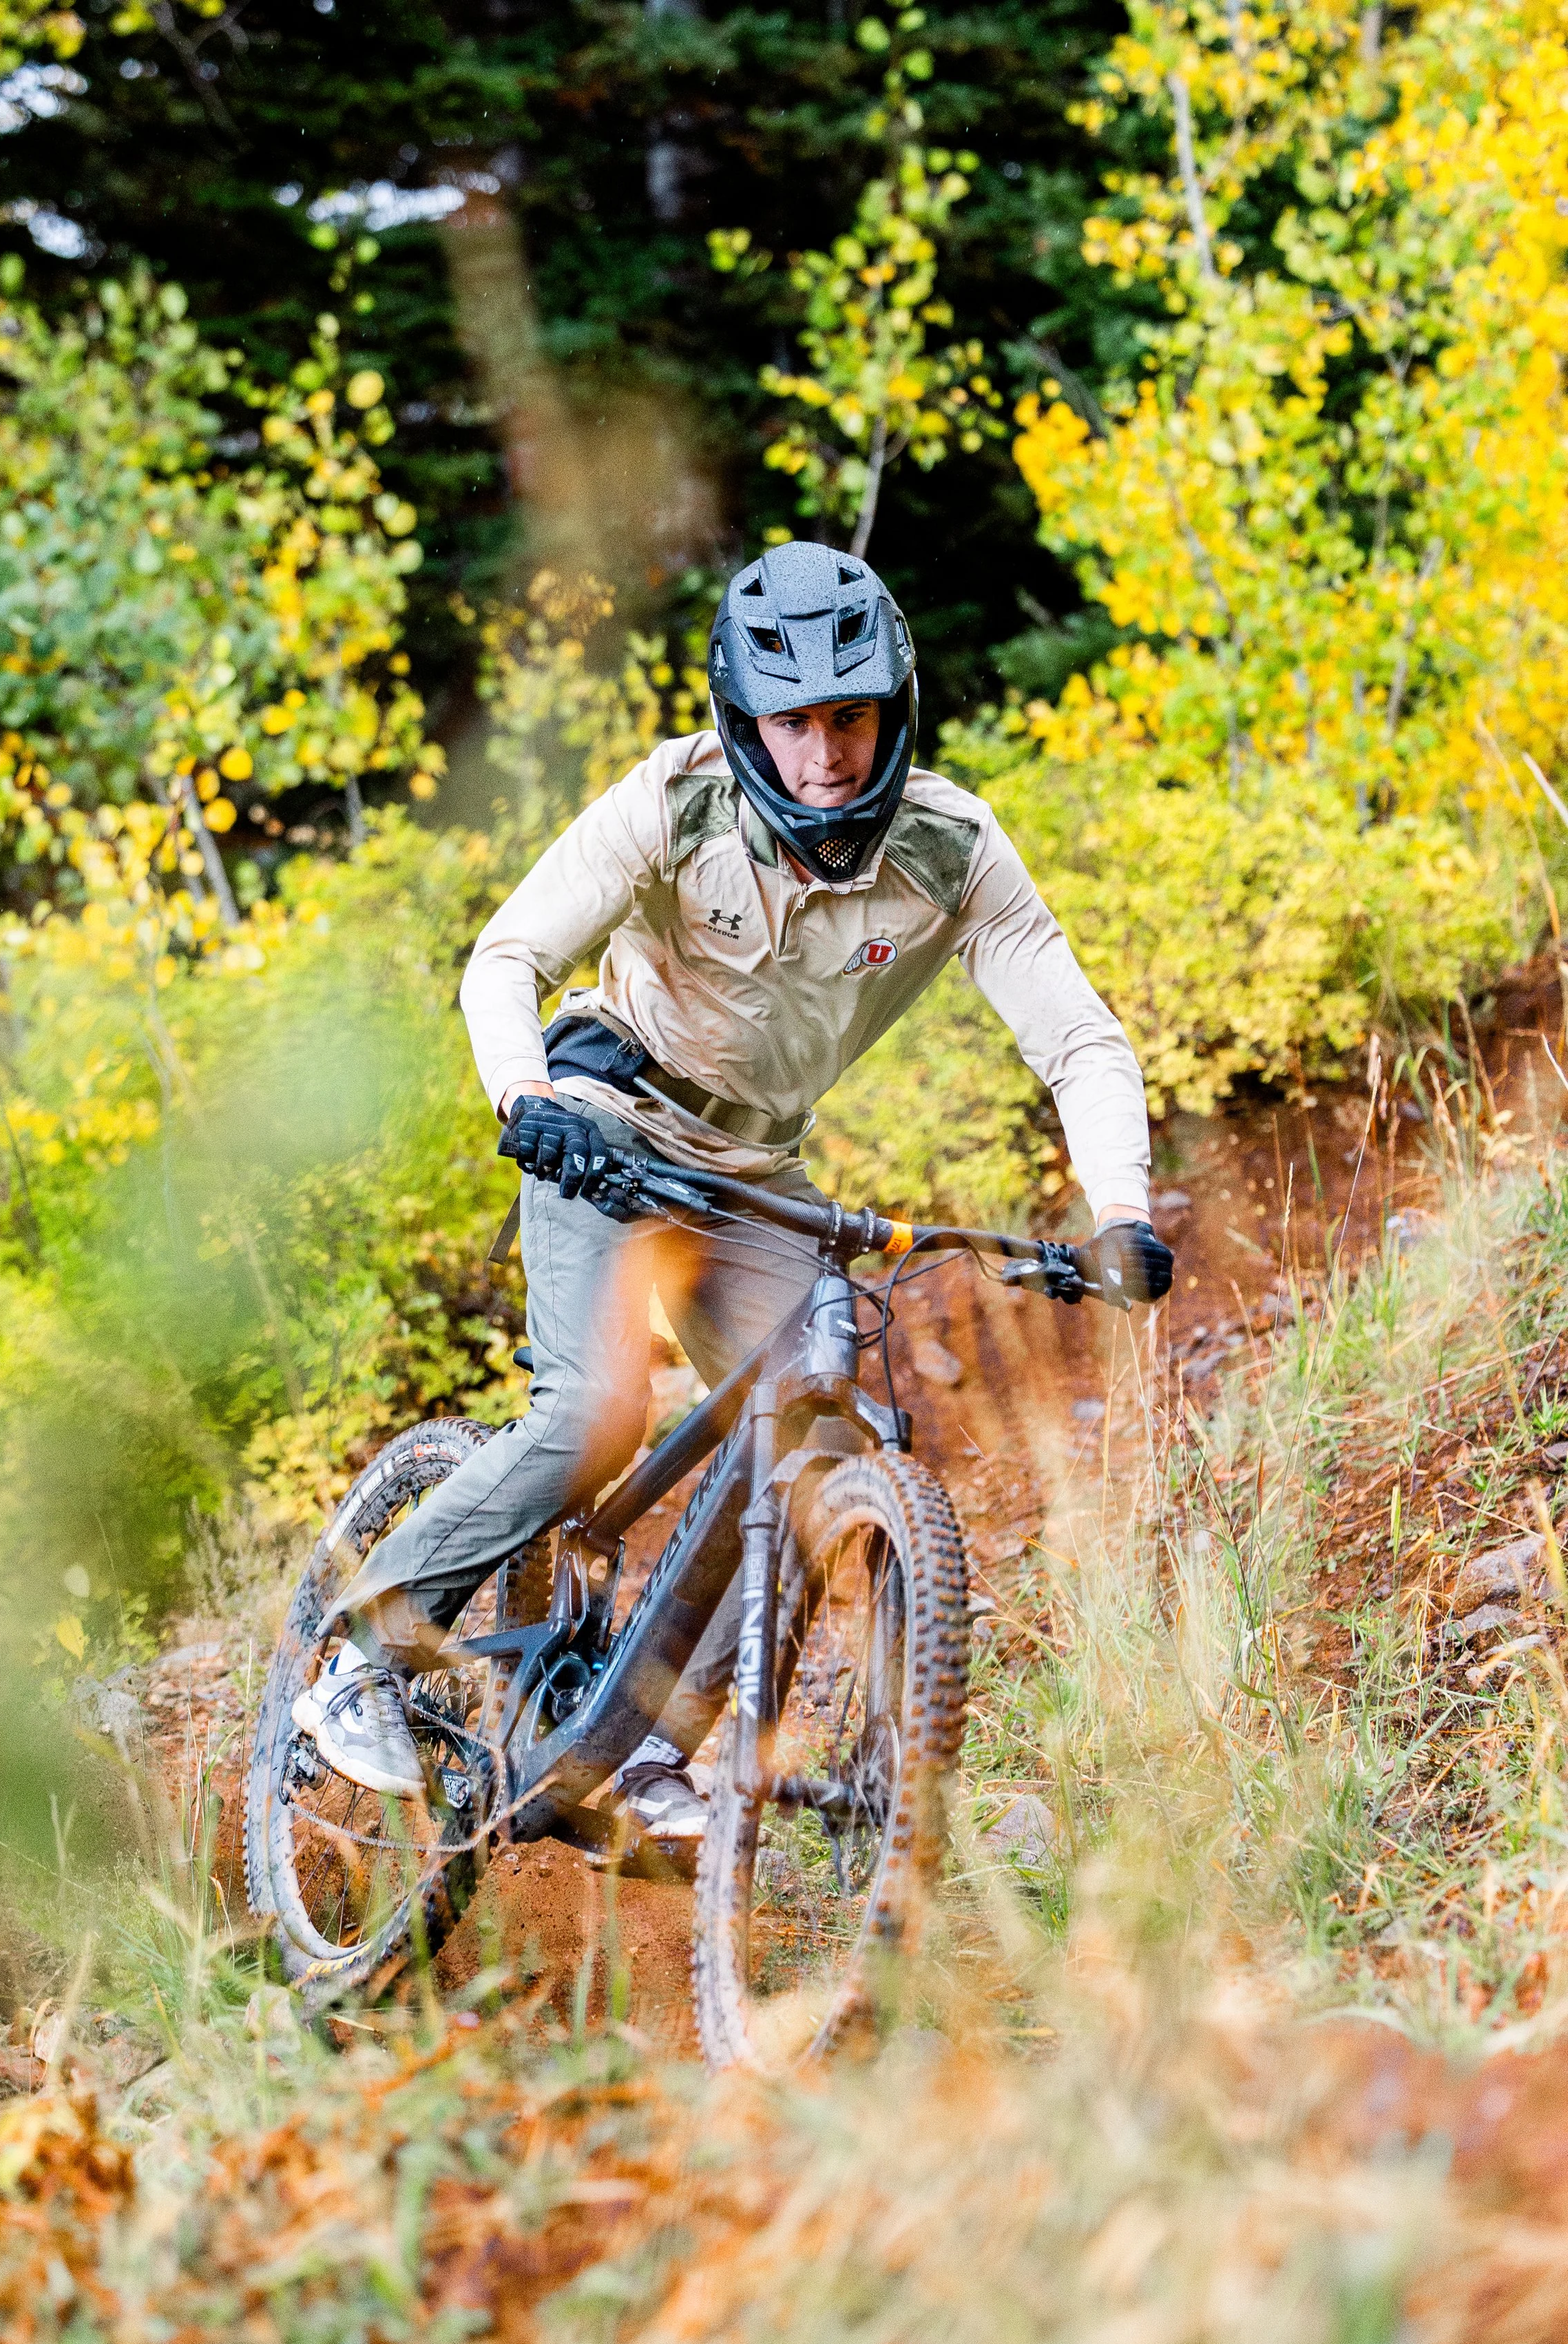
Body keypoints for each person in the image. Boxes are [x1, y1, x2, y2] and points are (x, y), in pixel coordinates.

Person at [293, 542, 1173, 1832]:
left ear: (894, 711)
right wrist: (524, 1099)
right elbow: (507, 956)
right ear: (749, 722)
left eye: (853, 719)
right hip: (606, 1114)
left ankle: (637, 1745)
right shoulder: (676, 802)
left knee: (822, 1448)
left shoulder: (954, 848)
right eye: (797, 723)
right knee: (598, 1415)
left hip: (753, 1163)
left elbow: (1080, 1040)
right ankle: (363, 1651)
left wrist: (1121, 1210)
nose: (827, 755)